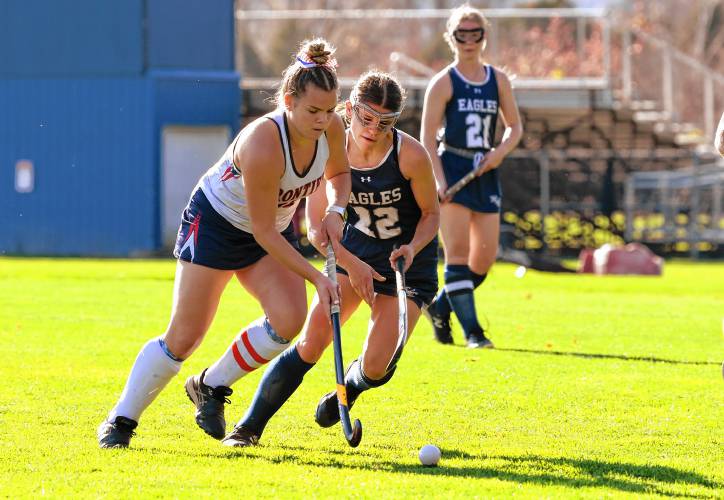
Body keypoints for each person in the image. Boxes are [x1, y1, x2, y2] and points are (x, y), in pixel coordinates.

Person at [97, 38, 351, 448]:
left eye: (329, 110)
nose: (322, 120)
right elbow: (264, 232)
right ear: (288, 100)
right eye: (313, 111)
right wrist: (318, 277)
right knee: (184, 337)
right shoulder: (264, 143)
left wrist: (336, 210)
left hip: (271, 224)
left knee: (288, 320)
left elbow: (339, 176)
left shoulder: (333, 128)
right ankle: (121, 419)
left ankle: (210, 386)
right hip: (217, 223)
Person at [202, 71, 440, 447]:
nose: (373, 129)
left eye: (385, 122)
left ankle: (351, 387)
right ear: (349, 110)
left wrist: (412, 248)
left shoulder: (410, 155)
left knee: (380, 363)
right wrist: (351, 261)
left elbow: (431, 214)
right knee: (311, 342)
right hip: (351, 254)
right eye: (365, 117)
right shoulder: (328, 145)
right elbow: (315, 228)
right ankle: (248, 428)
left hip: (403, 264)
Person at [420, 4, 523, 348]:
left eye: (474, 33)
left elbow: (514, 127)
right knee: (459, 254)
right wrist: (438, 181)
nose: (468, 40)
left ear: (483, 37)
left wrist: (499, 154)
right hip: (454, 169)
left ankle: (440, 308)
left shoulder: (498, 80)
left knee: (484, 259)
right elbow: (427, 138)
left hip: (486, 171)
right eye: (461, 34)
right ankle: (474, 333)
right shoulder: (443, 83)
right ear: (452, 38)